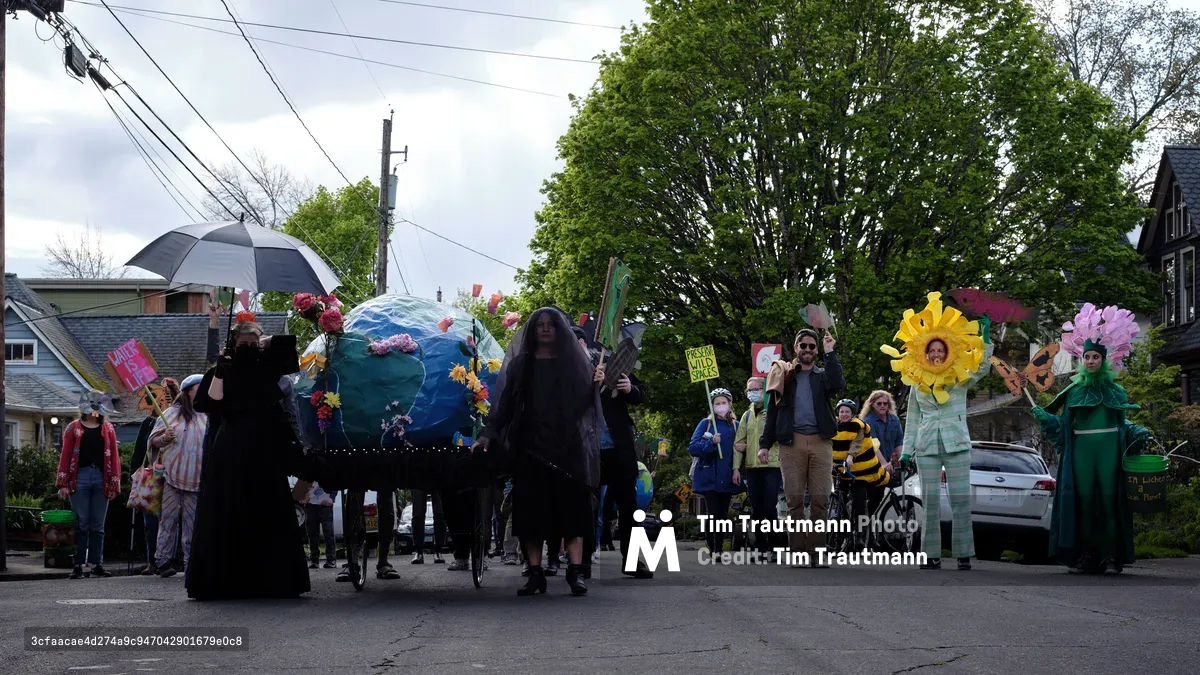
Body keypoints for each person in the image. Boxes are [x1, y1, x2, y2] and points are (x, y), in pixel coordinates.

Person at [473, 307, 602, 597]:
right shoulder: (521, 364)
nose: (545, 329)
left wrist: (596, 383)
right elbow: (505, 404)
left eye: (550, 324)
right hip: (529, 446)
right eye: (539, 325)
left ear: (559, 330)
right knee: (530, 512)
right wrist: (488, 434)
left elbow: (585, 403)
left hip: (568, 446)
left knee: (573, 512)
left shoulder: (573, 363)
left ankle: (575, 572)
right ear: (532, 331)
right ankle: (534, 574)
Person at [188, 315, 311, 600]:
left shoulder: (268, 369)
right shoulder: (223, 370)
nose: (249, 347)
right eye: (244, 343)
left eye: (254, 343)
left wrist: (263, 347)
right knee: (228, 508)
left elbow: (287, 352)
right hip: (231, 446)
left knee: (268, 508)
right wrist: (220, 370)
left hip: (265, 448)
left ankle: (272, 580)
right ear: (234, 343)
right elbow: (210, 403)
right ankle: (226, 580)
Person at [1032, 336, 1147, 574]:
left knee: (1109, 500)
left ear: (1104, 360)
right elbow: (1064, 425)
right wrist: (1046, 418)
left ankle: (1110, 555)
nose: (1091, 360)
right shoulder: (1073, 391)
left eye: (1096, 357)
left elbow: (1124, 425)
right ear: (1081, 360)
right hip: (1082, 450)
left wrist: (1138, 431)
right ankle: (1084, 554)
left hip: (1109, 449)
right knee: (1083, 502)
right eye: (1087, 357)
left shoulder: (1117, 391)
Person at [901, 318, 993, 571]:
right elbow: (912, 420)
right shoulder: (916, 382)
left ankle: (963, 553)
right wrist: (907, 451)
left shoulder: (959, 377)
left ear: (947, 352)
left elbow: (983, 366)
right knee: (930, 501)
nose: (936, 354)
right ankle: (931, 554)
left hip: (957, 443)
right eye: (932, 351)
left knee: (960, 499)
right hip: (927, 445)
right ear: (925, 353)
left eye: (940, 350)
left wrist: (985, 336)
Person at [761, 328, 843, 568]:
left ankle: (816, 553)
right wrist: (764, 444)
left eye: (812, 346)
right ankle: (798, 552)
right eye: (803, 345)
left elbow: (837, 383)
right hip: (792, 443)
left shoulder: (822, 375)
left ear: (816, 350)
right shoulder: (785, 376)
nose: (807, 349)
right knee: (794, 500)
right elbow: (773, 412)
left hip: (821, 442)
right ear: (796, 348)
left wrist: (830, 352)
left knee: (820, 500)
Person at [581, 327, 654, 580]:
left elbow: (641, 393)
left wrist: (627, 388)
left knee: (628, 506)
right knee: (586, 506)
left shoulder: (619, 364)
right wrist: (591, 382)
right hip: (589, 448)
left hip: (619, 447)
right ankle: (583, 561)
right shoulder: (577, 367)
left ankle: (632, 560)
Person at [56, 391, 121, 579]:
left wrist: (114, 484)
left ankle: (96, 564)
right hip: (80, 476)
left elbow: (114, 457)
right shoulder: (73, 428)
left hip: (101, 476)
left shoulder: (108, 429)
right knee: (81, 523)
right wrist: (63, 483)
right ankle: (77, 564)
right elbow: (66, 456)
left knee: (98, 524)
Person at [148, 374, 208, 578]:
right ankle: (162, 560)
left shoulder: (207, 415)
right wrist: (163, 438)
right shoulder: (170, 414)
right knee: (168, 521)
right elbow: (153, 441)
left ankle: (191, 561)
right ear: (188, 391)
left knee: (192, 525)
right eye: (199, 387)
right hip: (172, 478)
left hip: (196, 479)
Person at [130, 379, 179, 575]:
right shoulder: (149, 423)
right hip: (152, 476)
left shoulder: (180, 421)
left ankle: (168, 560)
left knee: (171, 520)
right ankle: (153, 560)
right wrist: (135, 472)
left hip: (175, 476)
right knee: (150, 522)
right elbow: (140, 449)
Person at [687, 388, 743, 556]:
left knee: (723, 514)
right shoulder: (706, 424)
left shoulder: (736, 425)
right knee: (713, 513)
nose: (721, 406)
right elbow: (693, 447)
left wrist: (737, 469)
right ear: (712, 406)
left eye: (723, 403)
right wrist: (711, 443)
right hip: (708, 477)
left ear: (729, 404)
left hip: (727, 477)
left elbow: (739, 450)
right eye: (717, 403)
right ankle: (715, 547)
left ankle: (718, 545)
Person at [734, 377, 782, 558]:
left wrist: (771, 431)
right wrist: (736, 468)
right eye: (749, 390)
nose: (752, 393)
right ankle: (761, 548)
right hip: (752, 468)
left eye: (756, 389)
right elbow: (739, 442)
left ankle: (775, 547)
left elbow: (782, 436)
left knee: (770, 508)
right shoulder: (746, 415)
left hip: (771, 465)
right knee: (757, 510)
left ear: (764, 391)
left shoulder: (774, 411)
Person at [831, 400, 890, 548]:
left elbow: (857, 444)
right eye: (842, 412)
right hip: (840, 469)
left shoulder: (858, 426)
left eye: (847, 412)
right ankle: (838, 538)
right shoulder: (833, 425)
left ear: (852, 414)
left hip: (859, 471)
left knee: (860, 503)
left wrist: (850, 457)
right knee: (840, 502)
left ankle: (860, 536)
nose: (844, 414)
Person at [861, 391, 905, 465]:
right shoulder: (867, 421)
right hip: (871, 463)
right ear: (872, 405)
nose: (882, 405)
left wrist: (902, 460)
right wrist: (884, 463)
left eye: (885, 403)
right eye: (879, 403)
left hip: (888, 462)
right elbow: (873, 445)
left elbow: (899, 441)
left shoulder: (894, 419)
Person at [304, 482, 337, 569]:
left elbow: (335, 481)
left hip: (325, 504)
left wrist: (332, 497)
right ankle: (314, 560)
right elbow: (301, 483)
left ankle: (331, 559)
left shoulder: (325, 469)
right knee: (312, 533)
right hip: (310, 504)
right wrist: (301, 496)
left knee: (328, 532)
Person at [409, 489, 447, 565]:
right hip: (418, 479)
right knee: (418, 514)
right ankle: (419, 551)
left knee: (439, 514)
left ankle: (438, 550)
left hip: (436, 479)